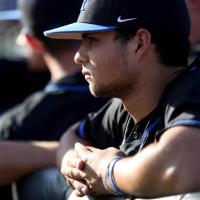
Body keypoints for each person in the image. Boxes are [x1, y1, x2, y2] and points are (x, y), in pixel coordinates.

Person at [44, 0, 200, 199]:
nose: (79, 56)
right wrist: (74, 164)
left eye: (91, 40)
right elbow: (71, 135)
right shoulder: (129, 103)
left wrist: (108, 171)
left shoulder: (194, 87)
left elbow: (178, 166)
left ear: (139, 44)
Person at [0, 0, 109, 198]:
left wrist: (65, 152)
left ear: (32, 40)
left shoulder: (18, 122)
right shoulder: (125, 94)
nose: (19, 41)